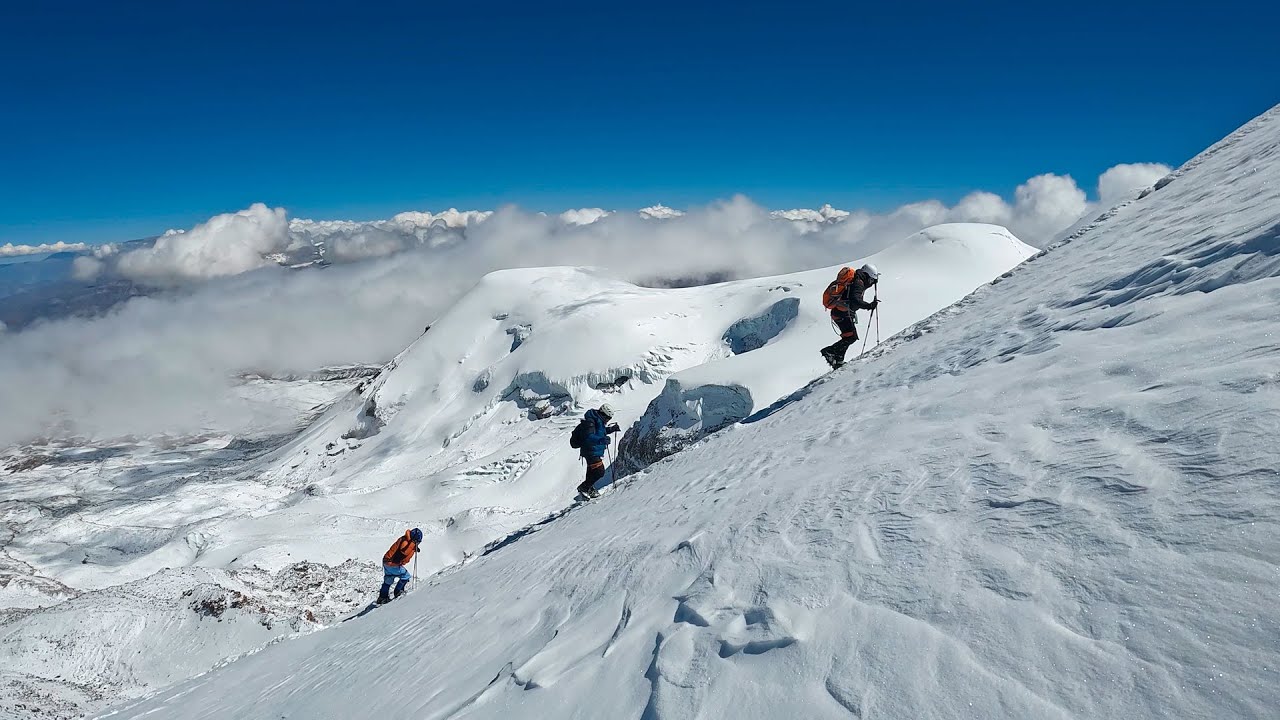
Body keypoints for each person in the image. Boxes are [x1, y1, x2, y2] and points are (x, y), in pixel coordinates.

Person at [820, 263, 880, 368]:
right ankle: (829, 351)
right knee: (851, 337)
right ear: (867, 275)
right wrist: (869, 306)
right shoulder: (858, 283)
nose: (871, 283)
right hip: (842, 313)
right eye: (871, 279)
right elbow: (856, 300)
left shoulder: (856, 280)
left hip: (841, 313)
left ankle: (838, 360)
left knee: (848, 336)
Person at [574, 403, 620, 498]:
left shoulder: (597, 420)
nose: (608, 420)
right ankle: (584, 487)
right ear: (603, 414)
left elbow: (599, 431)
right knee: (599, 471)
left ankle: (588, 488)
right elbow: (589, 437)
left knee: (592, 471)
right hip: (590, 450)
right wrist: (601, 440)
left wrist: (611, 429)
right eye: (608, 418)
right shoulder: (591, 422)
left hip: (592, 450)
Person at [378, 528, 423, 604]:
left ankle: (382, 597)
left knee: (388, 579)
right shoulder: (406, 542)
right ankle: (398, 592)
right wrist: (413, 545)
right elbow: (404, 552)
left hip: (387, 562)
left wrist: (413, 546)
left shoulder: (405, 539)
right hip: (392, 563)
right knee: (405, 576)